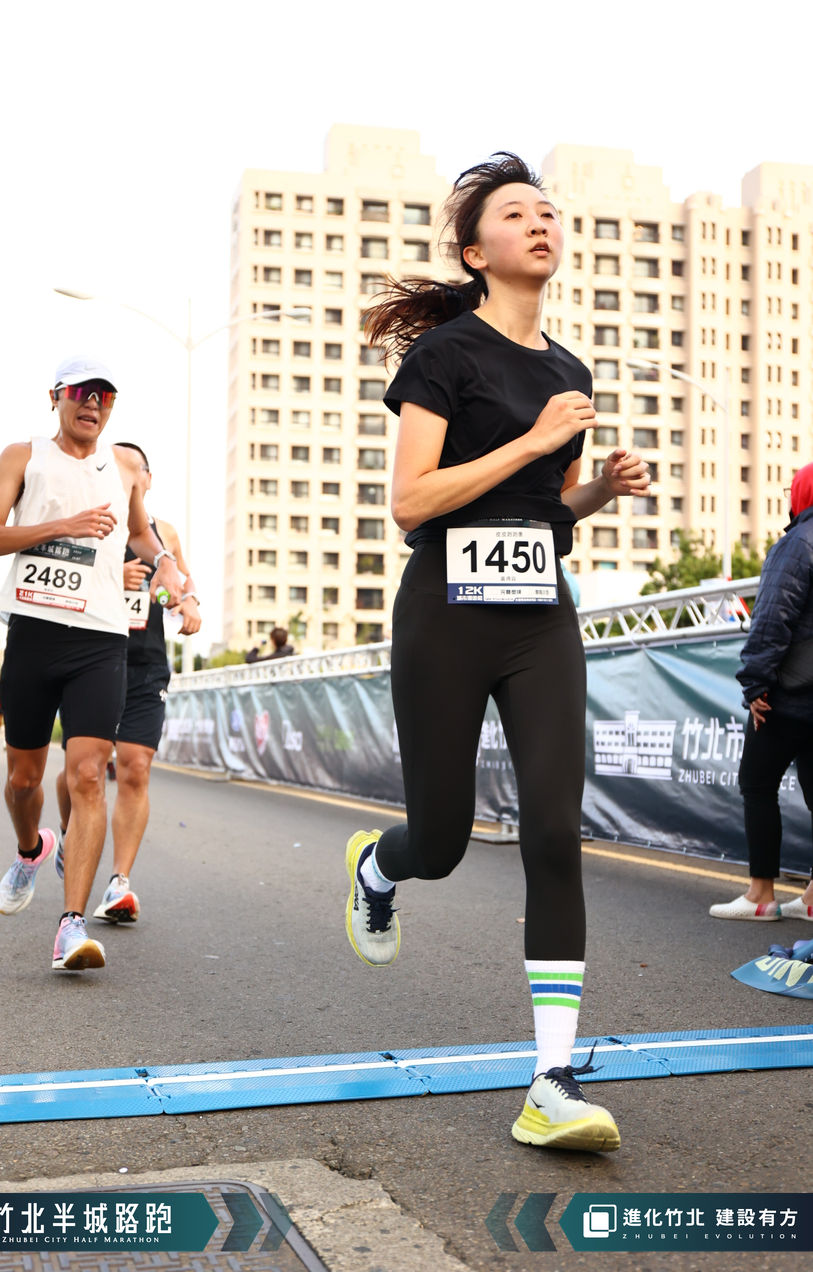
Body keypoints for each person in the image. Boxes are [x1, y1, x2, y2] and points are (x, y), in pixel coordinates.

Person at [342, 153, 651, 1153]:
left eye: (547, 211)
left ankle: (550, 1079)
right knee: (439, 840)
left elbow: (544, 510)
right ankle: (379, 868)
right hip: (444, 607)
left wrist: (598, 489)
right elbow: (411, 501)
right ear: (476, 253)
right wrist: (529, 441)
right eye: (516, 213)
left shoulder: (567, 371)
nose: (540, 222)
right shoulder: (445, 356)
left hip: (537, 613)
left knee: (553, 830)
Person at [0, 356, 182, 972]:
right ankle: (30, 849)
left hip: (100, 640)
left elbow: (141, 535)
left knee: (89, 774)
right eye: (81, 392)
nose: (92, 403)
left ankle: (71, 926)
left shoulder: (124, 467)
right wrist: (65, 526)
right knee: (24, 780)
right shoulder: (23, 456)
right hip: (34, 634)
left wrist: (169, 569)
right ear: (56, 397)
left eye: (104, 396)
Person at [54, 441, 201, 922]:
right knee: (82, 772)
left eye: (137, 468)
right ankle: (70, 831)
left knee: (135, 768)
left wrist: (188, 603)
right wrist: (113, 575)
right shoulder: (91, 520)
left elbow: (182, 581)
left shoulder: (165, 532)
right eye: (120, 467)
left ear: (147, 480)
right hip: (92, 657)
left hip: (145, 664)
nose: (128, 475)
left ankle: (119, 883)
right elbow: (61, 573)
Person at [710, 463, 813, 924]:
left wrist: (755, 684)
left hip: (788, 695)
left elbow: (772, 618)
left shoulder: (798, 543)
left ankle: (761, 896)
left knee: (757, 785)